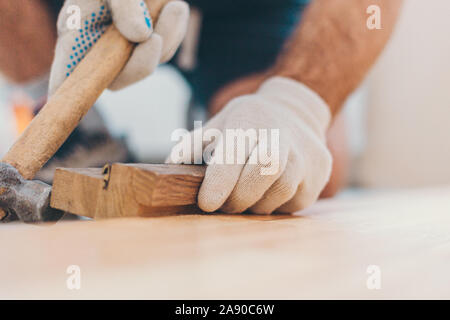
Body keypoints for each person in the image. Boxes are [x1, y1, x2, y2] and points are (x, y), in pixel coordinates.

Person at [0, 0, 403, 216]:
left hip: (249, 14)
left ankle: (229, 120)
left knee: (283, 174)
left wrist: (296, 103)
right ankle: (78, 138)